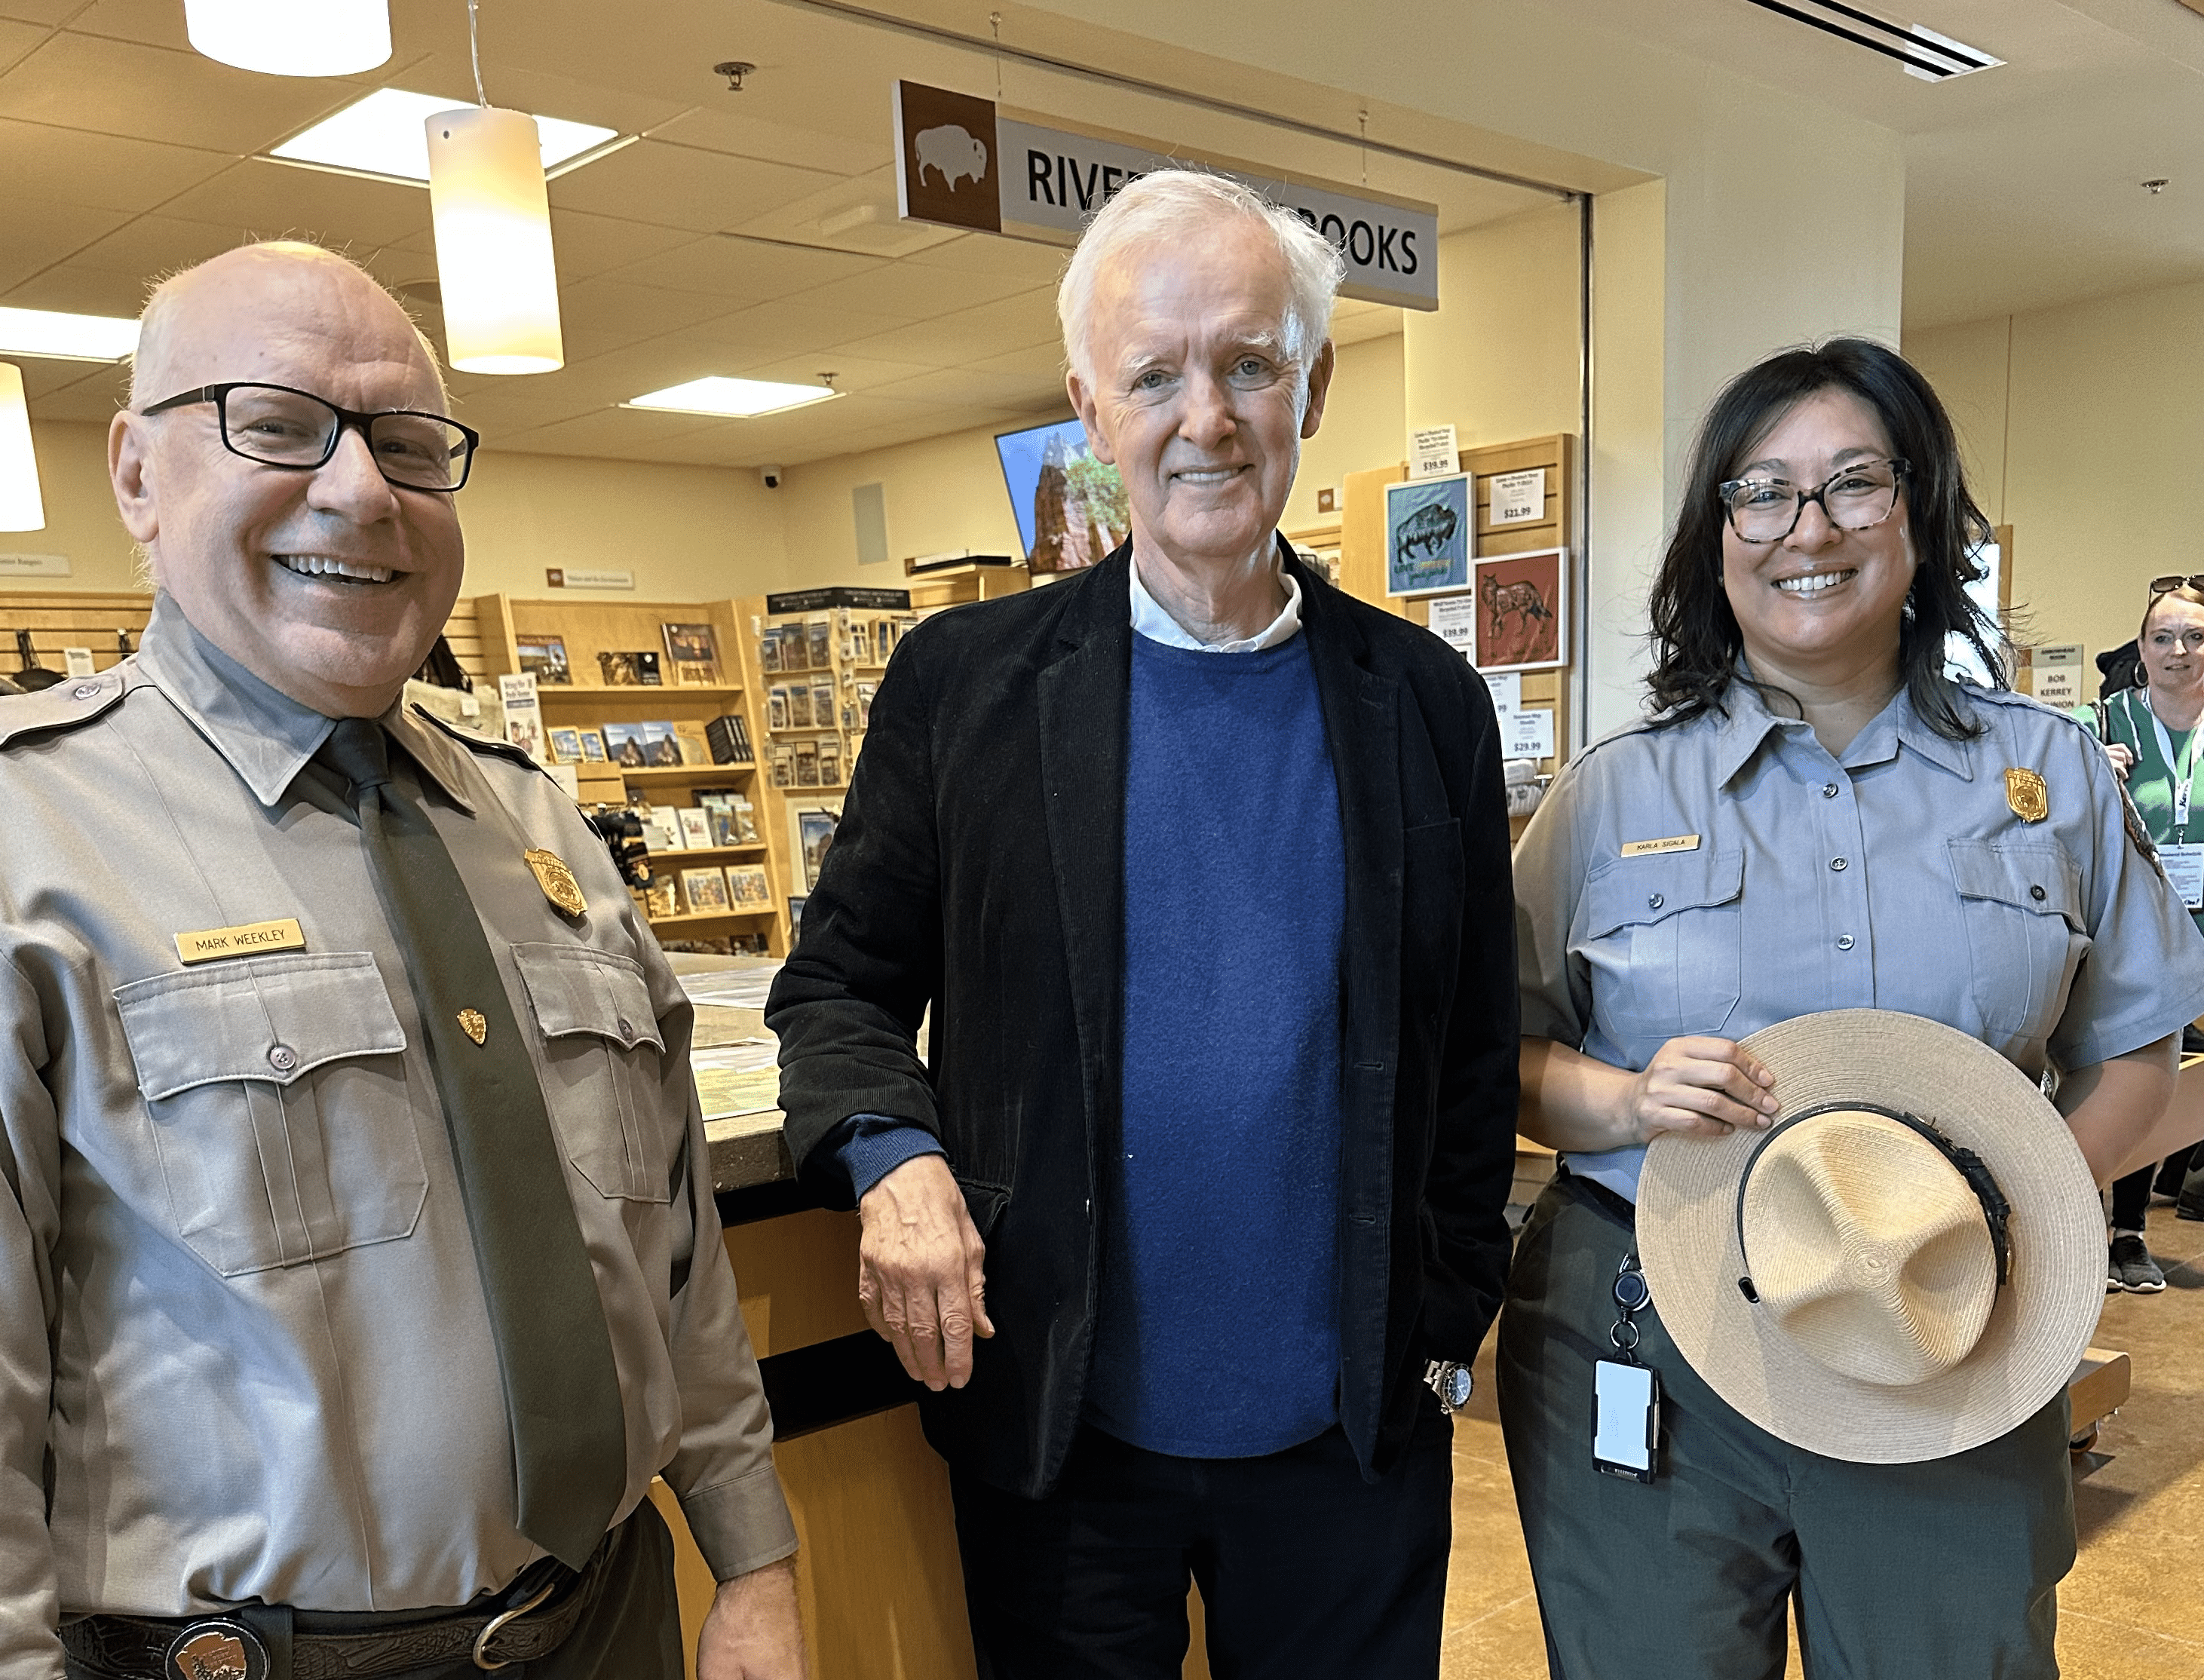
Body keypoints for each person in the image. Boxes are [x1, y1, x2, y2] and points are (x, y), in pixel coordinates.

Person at [0, 242, 805, 1680]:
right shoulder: (9, 838)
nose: (360, 491)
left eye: (409, 444)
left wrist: (753, 1553)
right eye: (276, 425)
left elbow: (671, 1246)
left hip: (614, 1620)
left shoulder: (534, 815)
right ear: (135, 475)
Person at [767, 169, 1519, 1678]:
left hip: (1347, 1434)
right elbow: (837, 989)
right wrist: (894, 1160)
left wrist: (1442, 1322)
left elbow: (1472, 1048)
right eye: (1157, 374)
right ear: (1089, 407)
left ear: (1310, 383)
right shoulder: (963, 687)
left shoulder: (1422, 701)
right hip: (1059, 1423)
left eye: (1248, 363)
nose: (1209, 416)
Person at [1504, 337, 2204, 1677]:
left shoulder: (2044, 771)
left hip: (1948, 1322)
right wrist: (1621, 1097)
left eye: (1853, 484)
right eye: (1759, 493)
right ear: (1716, 534)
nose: (1804, 529)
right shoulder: (1609, 796)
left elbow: (2139, 1045)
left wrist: (2011, 1209)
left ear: (1922, 514)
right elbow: (1495, 1053)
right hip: (1646, 1317)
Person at [2096, 578, 2204, 1268]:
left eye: (2194, 638)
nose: (2178, 651)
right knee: (2147, 1064)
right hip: (2144, 919)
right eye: (2162, 638)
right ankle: (2126, 1230)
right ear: (2140, 648)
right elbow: (2021, 779)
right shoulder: (2100, 721)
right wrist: (2084, 767)